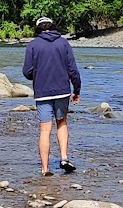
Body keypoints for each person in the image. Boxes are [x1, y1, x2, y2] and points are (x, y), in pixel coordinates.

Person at [22, 14, 81, 176]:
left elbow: (27, 72)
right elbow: (73, 70)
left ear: (38, 29)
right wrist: (77, 90)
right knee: (61, 123)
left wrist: (39, 75)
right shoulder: (63, 43)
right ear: (53, 26)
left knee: (44, 130)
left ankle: (45, 169)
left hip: (42, 93)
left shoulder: (33, 45)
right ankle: (63, 158)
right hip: (62, 90)